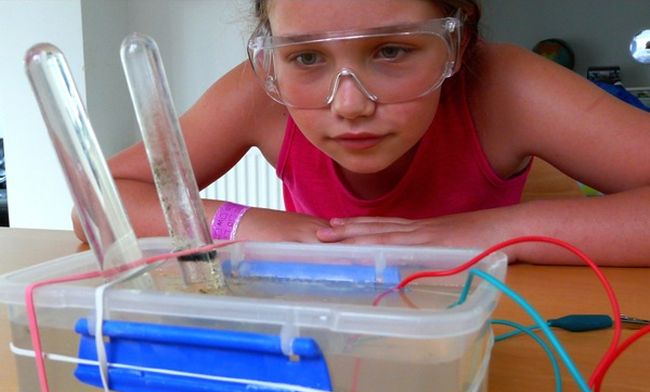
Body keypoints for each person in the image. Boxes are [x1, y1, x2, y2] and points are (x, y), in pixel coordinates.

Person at [74, 0, 650, 266]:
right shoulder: (256, 91)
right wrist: (243, 226)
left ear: (458, 44)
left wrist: (486, 233)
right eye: (304, 58)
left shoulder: (507, 86)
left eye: (392, 50)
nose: (349, 105)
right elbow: (93, 204)